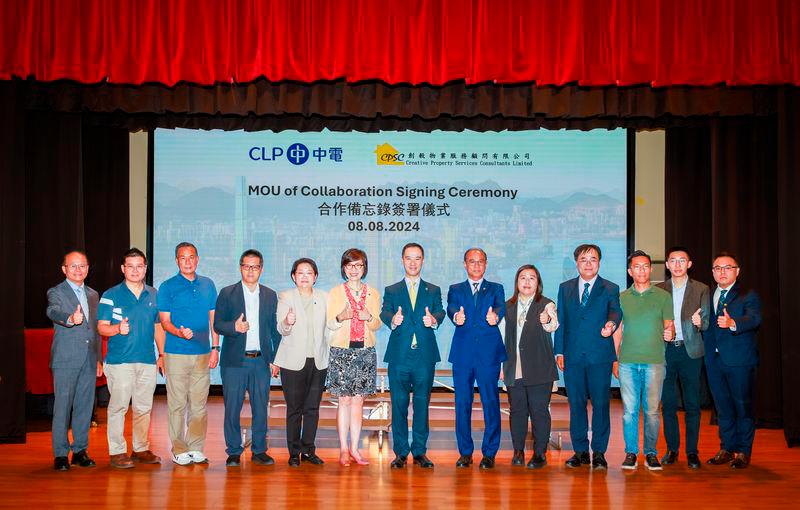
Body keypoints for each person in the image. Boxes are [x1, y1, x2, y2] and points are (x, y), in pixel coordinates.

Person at [554, 243, 621, 469]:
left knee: (601, 404)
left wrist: (611, 324)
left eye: (593, 259)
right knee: (576, 405)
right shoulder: (565, 288)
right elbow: (561, 320)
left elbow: (615, 311)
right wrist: (559, 351)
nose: (588, 263)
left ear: (599, 262)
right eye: (584, 259)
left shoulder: (610, 287)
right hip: (572, 357)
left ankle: (599, 452)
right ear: (577, 263)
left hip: (599, 356)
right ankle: (580, 451)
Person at [97, 248, 164, 468]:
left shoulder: (154, 294)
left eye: (139, 266)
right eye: (130, 266)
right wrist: (117, 329)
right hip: (120, 362)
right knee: (118, 407)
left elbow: (157, 328)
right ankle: (117, 452)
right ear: (123, 269)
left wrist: (162, 355)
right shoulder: (111, 295)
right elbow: (102, 328)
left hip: (147, 361)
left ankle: (140, 448)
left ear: (145, 268)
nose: (135, 270)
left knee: (144, 407)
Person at [380, 243, 445, 469]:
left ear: (423, 261)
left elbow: (440, 310)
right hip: (399, 357)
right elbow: (384, 311)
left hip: (424, 357)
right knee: (398, 405)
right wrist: (392, 320)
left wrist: (434, 320)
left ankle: (419, 451)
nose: (413, 262)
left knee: (421, 405)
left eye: (417, 258)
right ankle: (400, 452)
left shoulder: (433, 289)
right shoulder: (392, 289)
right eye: (409, 258)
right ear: (402, 260)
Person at [214, 249, 281, 467]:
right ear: (240, 267)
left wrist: (276, 359)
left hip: (261, 361)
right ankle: (233, 450)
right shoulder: (227, 293)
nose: (250, 270)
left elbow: (274, 331)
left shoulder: (270, 295)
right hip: (235, 361)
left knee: (260, 407)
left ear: (261, 269)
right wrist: (234, 326)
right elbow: (218, 325)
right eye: (246, 266)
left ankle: (259, 450)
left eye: (255, 266)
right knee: (232, 407)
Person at [157, 242, 219, 465]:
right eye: (183, 258)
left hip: (203, 353)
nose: (188, 261)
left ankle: (195, 446)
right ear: (177, 261)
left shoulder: (208, 285)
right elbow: (164, 322)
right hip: (176, 353)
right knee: (177, 404)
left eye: (191, 257)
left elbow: (214, 320)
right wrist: (179, 333)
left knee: (199, 405)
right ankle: (178, 448)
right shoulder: (167, 287)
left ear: (197, 259)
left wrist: (215, 348)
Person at [612, 250, 674, 470]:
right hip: (627, 362)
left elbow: (669, 327)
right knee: (629, 412)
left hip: (655, 362)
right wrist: (615, 360)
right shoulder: (620, 298)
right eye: (636, 266)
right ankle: (631, 453)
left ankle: (651, 453)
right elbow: (617, 331)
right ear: (630, 271)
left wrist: (671, 333)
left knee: (652, 411)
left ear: (650, 269)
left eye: (645, 266)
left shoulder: (663, 297)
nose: (641, 270)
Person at [446, 247, 506, 469]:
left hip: (489, 354)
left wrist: (496, 316)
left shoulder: (496, 288)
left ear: (486, 264)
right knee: (463, 403)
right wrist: (456, 316)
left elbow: (500, 307)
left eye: (480, 261)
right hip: (462, 355)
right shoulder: (455, 289)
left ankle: (489, 453)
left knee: (491, 402)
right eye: (472, 261)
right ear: (465, 264)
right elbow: (452, 307)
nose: (476, 265)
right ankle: (465, 452)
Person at [703, 252, 761, 469]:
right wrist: (700, 322)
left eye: (727, 267)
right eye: (717, 268)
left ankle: (744, 452)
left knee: (743, 407)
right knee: (723, 408)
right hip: (714, 362)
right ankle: (727, 448)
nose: (722, 272)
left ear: (737, 271)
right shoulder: (708, 295)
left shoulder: (748, 295)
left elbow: (754, 319)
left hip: (740, 362)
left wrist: (733, 322)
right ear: (713, 272)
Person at [46, 250, 102, 471]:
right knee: (63, 408)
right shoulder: (56, 291)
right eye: (73, 266)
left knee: (84, 407)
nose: (78, 270)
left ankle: (80, 450)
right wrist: (69, 318)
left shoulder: (93, 294)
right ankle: (60, 454)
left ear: (88, 269)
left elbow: (96, 330)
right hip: (65, 359)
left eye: (82, 266)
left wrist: (98, 359)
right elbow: (53, 311)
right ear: (64, 269)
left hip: (89, 360)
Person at [656, 246, 711, 469]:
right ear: (667, 265)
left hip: (691, 352)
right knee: (668, 404)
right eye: (673, 261)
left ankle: (692, 451)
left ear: (689, 264)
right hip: (666, 351)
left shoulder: (701, 289)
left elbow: (706, 321)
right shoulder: (659, 290)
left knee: (692, 404)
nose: (677, 265)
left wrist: (700, 323)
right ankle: (672, 450)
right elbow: (653, 322)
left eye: (682, 261)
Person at [326, 248, 382, 466]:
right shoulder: (335, 292)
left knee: (358, 401)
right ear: (344, 268)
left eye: (358, 265)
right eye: (350, 266)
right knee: (343, 400)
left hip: (365, 352)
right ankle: (342, 449)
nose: (354, 270)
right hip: (341, 351)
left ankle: (355, 448)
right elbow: (330, 323)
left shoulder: (373, 293)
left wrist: (369, 317)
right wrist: (342, 316)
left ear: (364, 268)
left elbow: (377, 324)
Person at [500, 264, 559, 469]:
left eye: (531, 278)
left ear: (538, 283)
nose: (526, 282)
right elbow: (501, 338)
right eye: (522, 278)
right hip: (513, 366)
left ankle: (540, 453)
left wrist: (547, 320)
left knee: (539, 411)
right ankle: (518, 451)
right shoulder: (507, 306)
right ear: (517, 282)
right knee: (517, 411)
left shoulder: (547, 304)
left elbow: (553, 324)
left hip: (540, 368)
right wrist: (501, 365)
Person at [274, 258, 328, 467]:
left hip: (318, 360)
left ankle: (308, 450)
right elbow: (282, 329)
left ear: (315, 277)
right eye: (300, 273)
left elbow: (329, 326)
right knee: (294, 409)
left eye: (309, 273)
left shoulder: (324, 297)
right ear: (293, 276)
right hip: (292, 362)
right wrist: (287, 322)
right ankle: (294, 452)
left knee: (312, 408)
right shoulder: (286, 296)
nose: (305, 276)